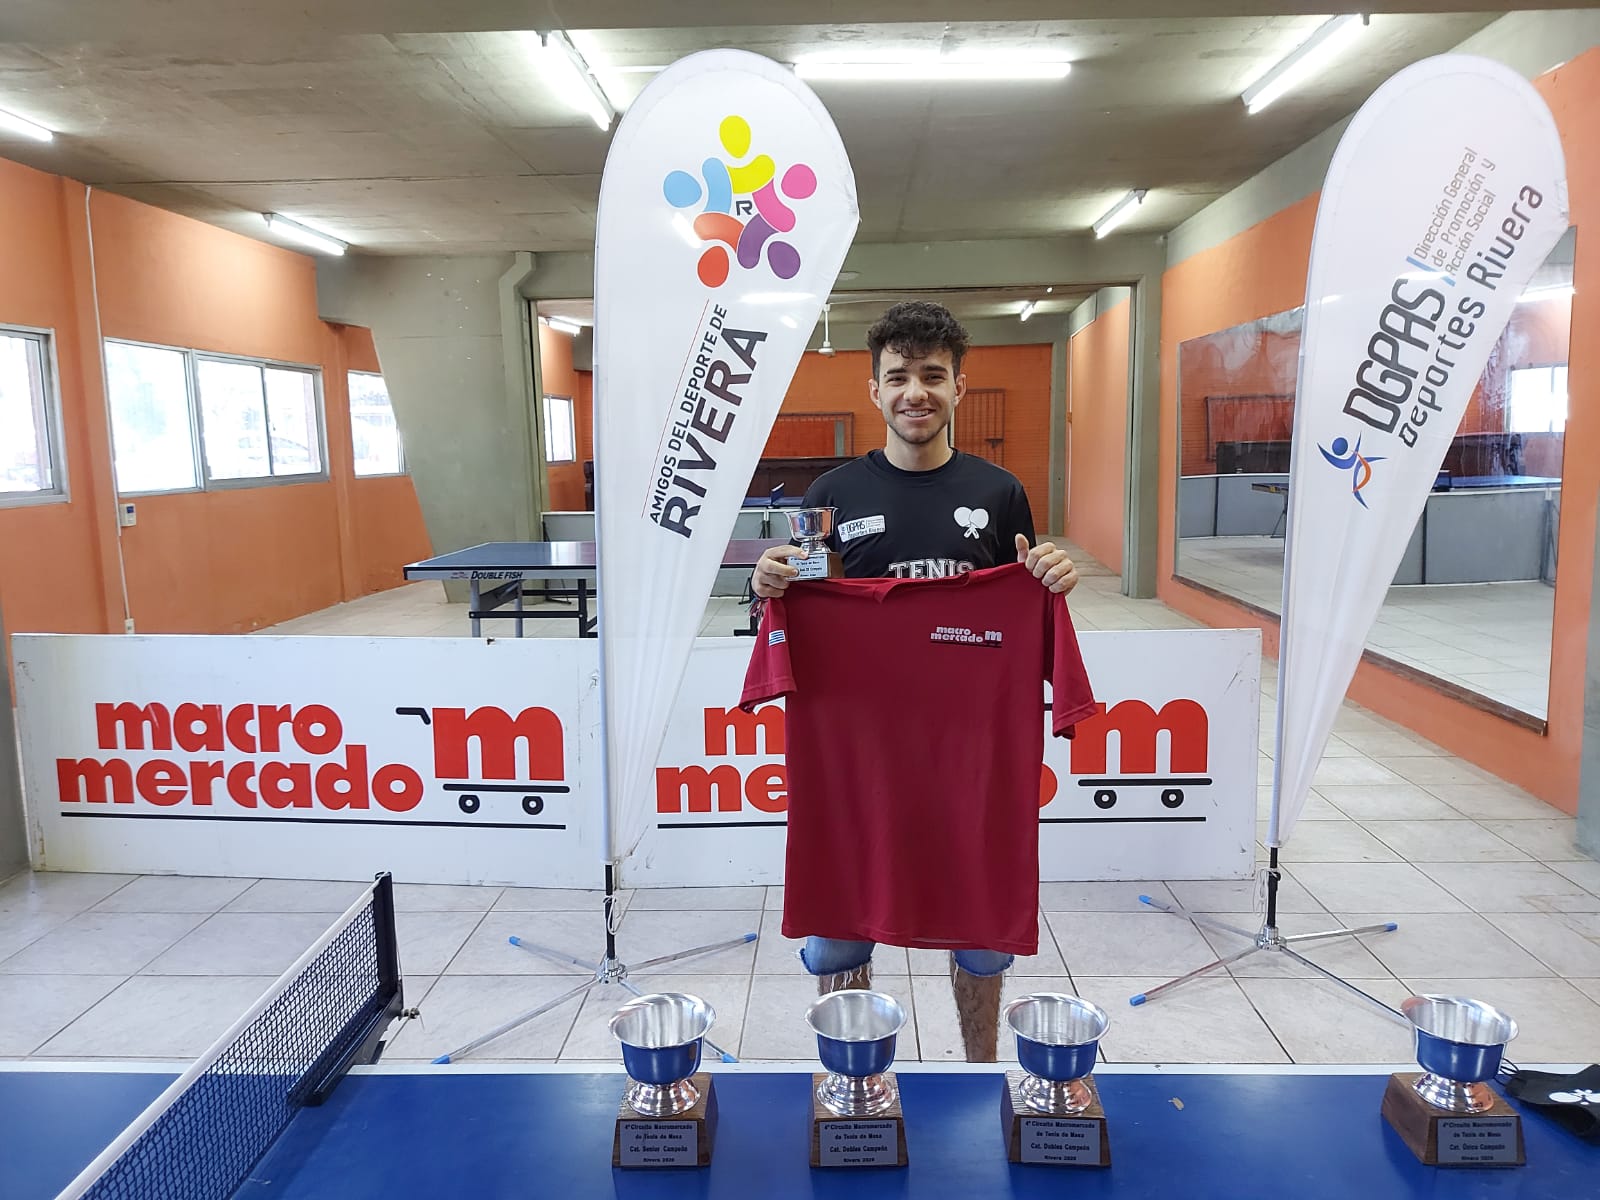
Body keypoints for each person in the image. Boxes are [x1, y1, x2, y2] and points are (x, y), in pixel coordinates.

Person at [750, 300, 1079, 1062]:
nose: (915, 392)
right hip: (859, 758)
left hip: (969, 757)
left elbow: (1026, 599)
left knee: (982, 938)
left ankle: (979, 1073)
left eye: (933, 375)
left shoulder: (1001, 493)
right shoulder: (830, 496)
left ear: (959, 386)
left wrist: (1051, 576)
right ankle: (852, 1082)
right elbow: (810, 597)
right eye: (898, 376)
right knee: (838, 935)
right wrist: (771, 583)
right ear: (875, 390)